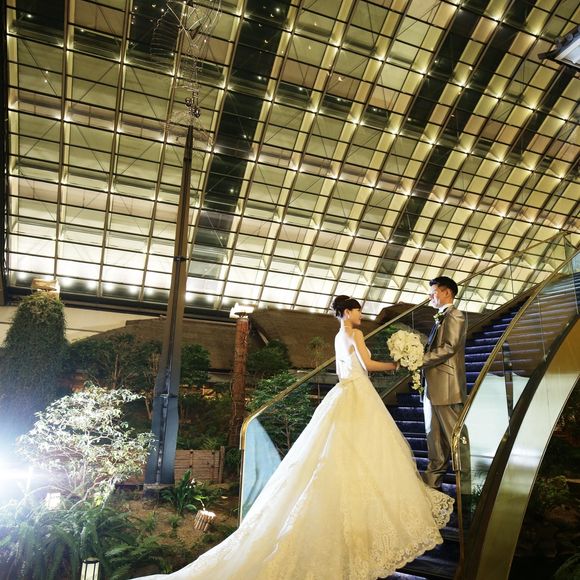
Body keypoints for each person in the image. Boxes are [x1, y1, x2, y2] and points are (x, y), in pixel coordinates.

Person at [132, 295, 453, 580]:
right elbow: (367, 365)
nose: (360, 315)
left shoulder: (339, 335)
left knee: (339, 451)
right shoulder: (355, 333)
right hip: (359, 394)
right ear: (346, 312)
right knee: (366, 449)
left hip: (344, 393)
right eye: (357, 310)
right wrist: (396, 364)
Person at [422, 276, 467, 490]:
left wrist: (419, 359)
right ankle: (432, 486)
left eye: (433, 292)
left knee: (455, 439)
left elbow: (450, 347)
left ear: (446, 292)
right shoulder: (440, 317)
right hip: (432, 387)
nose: (430, 297)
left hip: (448, 388)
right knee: (434, 441)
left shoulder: (455, 315)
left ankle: (468, 486)